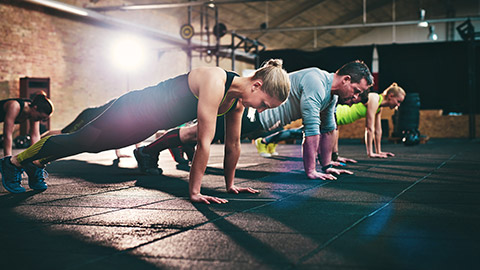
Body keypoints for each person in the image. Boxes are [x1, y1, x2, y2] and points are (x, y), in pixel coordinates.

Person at [0, 59, 290, 205]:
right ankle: (14, 162)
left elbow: (233, 145)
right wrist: (195, 192)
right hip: (135, 107)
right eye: (265, 104)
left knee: (92, 146)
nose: (262, 110)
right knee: (83, 140)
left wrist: (229, 185)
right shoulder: (216, 80)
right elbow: (203, 141)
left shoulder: (236, 102)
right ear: (257, 86)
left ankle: (38, 162)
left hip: (146, 123)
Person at [133, 60, 373, 181]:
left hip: (262, 121)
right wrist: (311, 170)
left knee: (199, 133)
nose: (357, 97)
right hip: (255, 112)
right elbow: (311, 132)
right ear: (346, 80)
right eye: (358, 91)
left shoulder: (330, 96)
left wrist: (329, 163)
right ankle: (147, 151)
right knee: (198, 133)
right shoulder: (316, 81)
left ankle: (177, 145)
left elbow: (329, 129)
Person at [333, 82, 406, 159]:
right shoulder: (374, 98)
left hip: (339, 119)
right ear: (391, 96)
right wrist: (370, 153)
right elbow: (369, 128)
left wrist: (379, 151)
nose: (398, 105)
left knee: (333, 137)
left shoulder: (379, 106)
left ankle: (334, 157)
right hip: (339, 114)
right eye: (398, 101)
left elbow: (378, 130)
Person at [0, 92, 54, 192]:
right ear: (35, 108)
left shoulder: (33, 111)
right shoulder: (14, 106)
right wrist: (8, 162)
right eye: (40, 118)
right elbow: (7, 134)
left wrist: (36, 158)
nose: (39, 120)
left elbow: (35, 135)